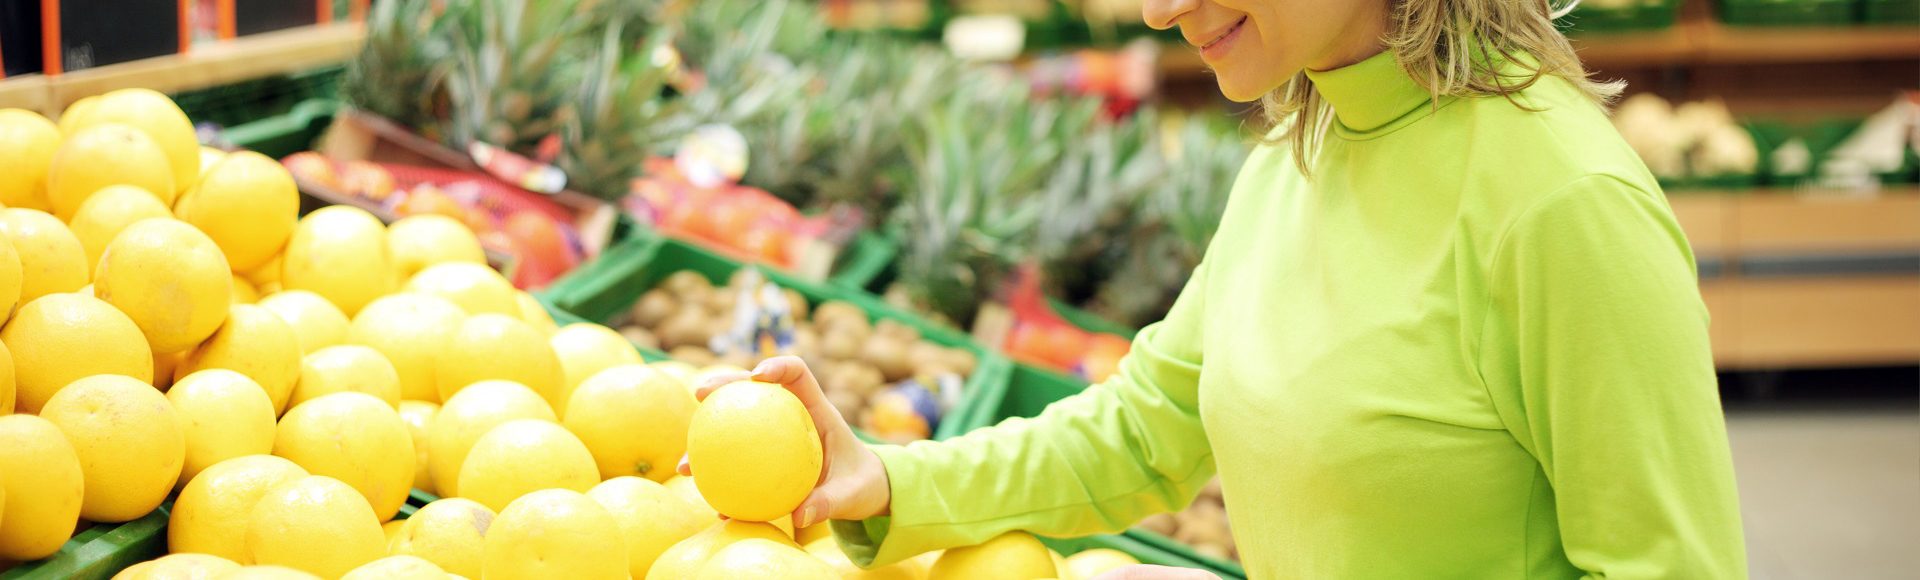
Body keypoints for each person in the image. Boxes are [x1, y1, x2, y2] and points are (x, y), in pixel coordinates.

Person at [685, 0, 1750, 576]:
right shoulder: (1297, 153)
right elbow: (1143, 433)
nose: (1157, 11)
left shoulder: (1564, 204)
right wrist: (889, 482)